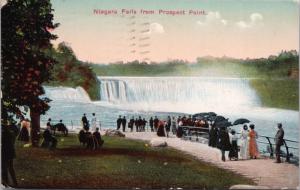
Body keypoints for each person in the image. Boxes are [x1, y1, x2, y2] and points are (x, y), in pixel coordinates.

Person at [2, 119, 18, 187]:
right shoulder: (12, 133)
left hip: (5, 152)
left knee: (4, 167)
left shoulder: (5, 133)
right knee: (10, 167)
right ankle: (14, 182)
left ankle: (6, 183)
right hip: (11, 152)